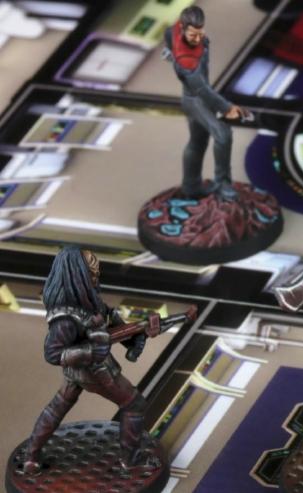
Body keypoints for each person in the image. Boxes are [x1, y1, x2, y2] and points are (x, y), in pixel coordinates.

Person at [22, 247, 152, 474]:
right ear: (76, 275)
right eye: (90, 273)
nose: (95, 277)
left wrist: (136, 336)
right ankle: (131, 462)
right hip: (94, 371)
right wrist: (91, 352)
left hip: (80, 372)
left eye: (96, 272)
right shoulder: (65, 318)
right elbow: (53, 354)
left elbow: (113, 328)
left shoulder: (90, 303)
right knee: (134, 405)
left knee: (56, 408)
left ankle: (31, 457)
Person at [164, 6, 246, 200]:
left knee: (198, 141)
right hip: (195, 100)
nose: (198, 38)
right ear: (183, 29)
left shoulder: (176, 29)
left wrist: (168, 50)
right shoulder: (186, 61)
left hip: (200, 96)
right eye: (193, 35)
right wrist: (227, 108)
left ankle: (191, 186)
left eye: (200, 33)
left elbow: (168, 32)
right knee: (223, 135)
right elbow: (202, 90)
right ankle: (223, 184)